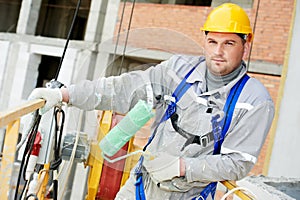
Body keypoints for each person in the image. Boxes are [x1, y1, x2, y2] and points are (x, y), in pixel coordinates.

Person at [29, 3, 274, 200]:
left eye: (229, 43)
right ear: (205, 41)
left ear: (246, 44)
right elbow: (124, 89)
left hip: (188, 195)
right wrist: (65, 95)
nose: (218, 51)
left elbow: (237, 164)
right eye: (213, 42)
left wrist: (182, 167)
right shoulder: (180, 70)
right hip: (140, 185)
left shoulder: (254, 101)